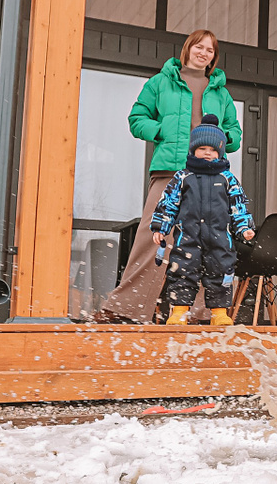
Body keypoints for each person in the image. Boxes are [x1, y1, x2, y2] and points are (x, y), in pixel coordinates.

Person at [90, 30, 243, 323]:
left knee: (208, 240)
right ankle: (127, 309)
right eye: (199, 47)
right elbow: (137, 119)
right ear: (188, 48)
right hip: (170, 169)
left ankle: (203, 313)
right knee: (153, 236)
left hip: (210, 175)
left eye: (210, 50)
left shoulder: (221, 93)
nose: (204, 53)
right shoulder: (160, 83)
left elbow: (234, 131)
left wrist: (223, 138)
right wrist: (162, 131)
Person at [150, 117, 255, 326]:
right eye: (202, 148)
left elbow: (238, 206)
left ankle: (219, 313)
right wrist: (161, 227)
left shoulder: (228, 178)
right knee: (182, 270)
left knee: (220, 271)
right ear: (193, 150)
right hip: (187, 237)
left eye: (213, 150)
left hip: (220, 238)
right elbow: (169, 203)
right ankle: (179, 312)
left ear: (220, 152)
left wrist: (244, 227)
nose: (208, 153)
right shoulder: (183, 177)